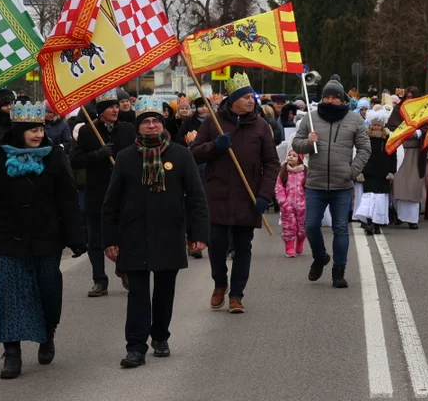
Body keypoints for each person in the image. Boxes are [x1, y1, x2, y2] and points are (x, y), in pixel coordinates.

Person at [0, 100, 85, 379]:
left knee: (48, 291)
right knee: (10, 296)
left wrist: (77, 237)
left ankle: (47, 334)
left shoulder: (54, 157)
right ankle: (12, 353)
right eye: (31, 129)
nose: (38, 135)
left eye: (41, 129)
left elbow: (68, 199)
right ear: (18, 129)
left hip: (46, 237)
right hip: (7, 238)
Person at [102, 96, 209, 368]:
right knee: (137, 292)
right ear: (138, 127)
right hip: (134, 234)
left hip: (169, 233)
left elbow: (196, 198)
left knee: (164, 290)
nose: (151, 126)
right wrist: (110, 239)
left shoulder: (180, 155)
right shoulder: (125, 158)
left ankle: (160, 336)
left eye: (155, 121)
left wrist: (199, 234)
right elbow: (111, 203)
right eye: (146, 122)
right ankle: (135, 347)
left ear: (163, 125)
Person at [192, 73, 281, 312]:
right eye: (245, 97)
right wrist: (214, 147)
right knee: (217, 244)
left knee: (243, 246)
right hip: (217, 195)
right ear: (233, 100)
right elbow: (193, 153)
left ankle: (237, 294)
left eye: (252, 96)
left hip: (248, 196)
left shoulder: (261, 125)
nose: (251, 101)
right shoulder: (213, 122)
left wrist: (265, 195)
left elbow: (272, 163)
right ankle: (220, 283)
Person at [291, 73, 371, 289]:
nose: (330, 101)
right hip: (315, 184)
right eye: (327, 97)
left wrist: (352, 171)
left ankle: (339, 271)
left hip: (342, 185)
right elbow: (296, 144)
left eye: (335, 97)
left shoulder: (354, 120)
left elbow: (365, 148)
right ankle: (320, 257)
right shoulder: (311, 117)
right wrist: (307, 142)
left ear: (343, 99)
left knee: (340, 229)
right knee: (311, 226)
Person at [70, 89, 136, 297]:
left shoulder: (127, 130)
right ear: (100, 111)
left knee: (124, 236)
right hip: (97, 194)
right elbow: (76, 160)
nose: (116, 110)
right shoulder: (88, 131)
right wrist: (98, 155)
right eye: (111, 107)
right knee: (96, 240)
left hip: (123, 194)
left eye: (117, 106)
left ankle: (123, 268)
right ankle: (100, 280)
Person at [354, 108, 395, 236]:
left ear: (382, 125)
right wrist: (359, 170)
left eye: (379, 125)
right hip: (369, 172)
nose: (376, 127)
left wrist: (392, 171)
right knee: (369, 197)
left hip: (383, 173)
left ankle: (378, 224)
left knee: (380, 199)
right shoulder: (365, 137)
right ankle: (369, 222)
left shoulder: (388, 138)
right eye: (374, 125)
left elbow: (392, 155)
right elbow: (360, 153)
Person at [393, 126, 428, 229]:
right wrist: (406, 132)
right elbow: (392, 127)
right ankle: (398, 215)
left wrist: (419, 132)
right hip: (400, 152)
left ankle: (412, 219)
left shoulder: (423, 111)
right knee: (399, 185)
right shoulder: (398, 111)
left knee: (413, 186)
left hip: (416, 155)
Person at [275, 148, 307, 257]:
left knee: (302, 228)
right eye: (289, 155)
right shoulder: (283, 172)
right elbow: (279, 188)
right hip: (287, 207)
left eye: (294, 156)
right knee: (289, 227)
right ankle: (289, 248)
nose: (290, 157)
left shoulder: (305, 173)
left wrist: (307, 203)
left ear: (300, 159)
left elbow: (309, 189)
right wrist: (283, 202)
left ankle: (300, 242)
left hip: (303, 207)